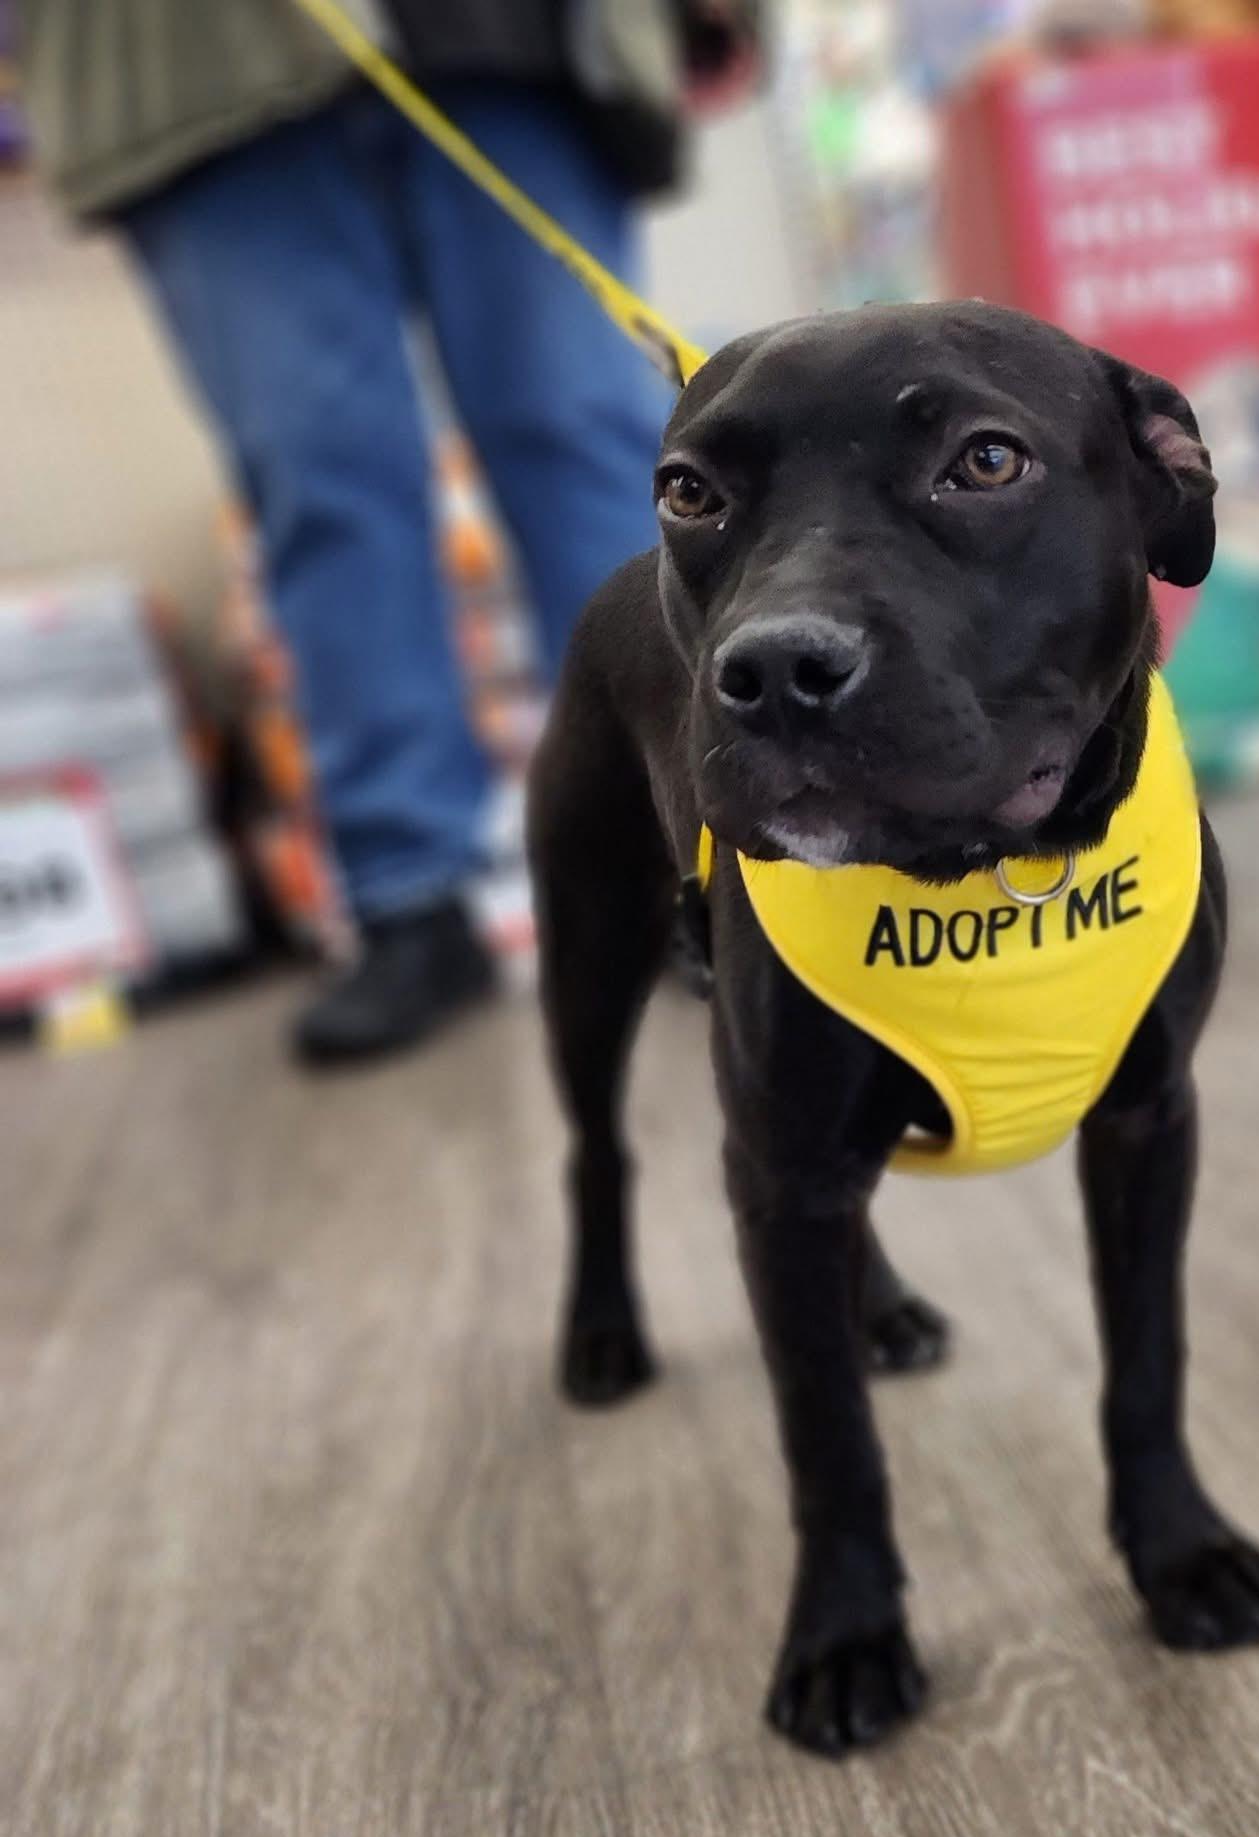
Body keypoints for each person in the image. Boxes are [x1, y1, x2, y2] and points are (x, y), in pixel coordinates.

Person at [18, 0, 757, 1063]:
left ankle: (704, 857)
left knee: (583, 436)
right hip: (188, 67)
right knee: (324, 484)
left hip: (509, 44)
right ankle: (407, 895)